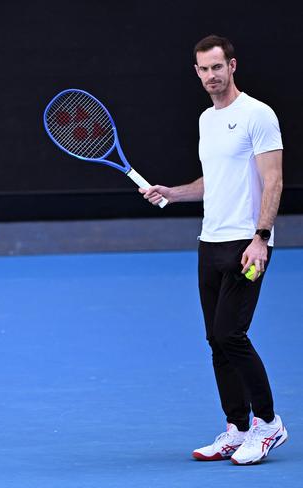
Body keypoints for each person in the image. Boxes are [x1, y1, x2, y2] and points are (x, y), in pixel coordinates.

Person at [140, 34, 287, 465]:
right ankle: (237, 428)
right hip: (211, 241)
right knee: (215, 340)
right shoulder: (206, 120)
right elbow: (214, 183)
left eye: (217, 67)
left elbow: (273, 180)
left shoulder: (258, 115)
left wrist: (261, 237)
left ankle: (268, 424)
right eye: (203, 69)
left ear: (233, 66)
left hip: (247, 244)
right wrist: (175, 192)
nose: (210, 76)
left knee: (231, 334)